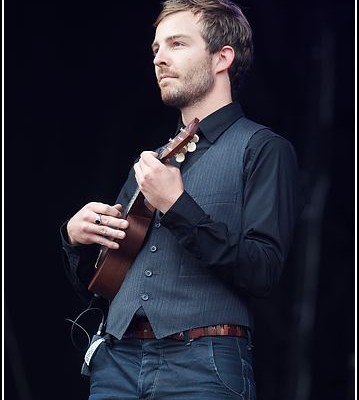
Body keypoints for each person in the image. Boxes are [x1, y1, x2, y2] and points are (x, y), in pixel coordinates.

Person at [60, 0, 299, 399]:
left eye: (176, 44)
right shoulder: (153, 161)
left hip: (202, 361)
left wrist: (178, 206)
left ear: (222, 57)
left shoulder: (263, 149)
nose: (159, 59)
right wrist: (75, 240)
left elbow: (264, 271)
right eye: (156, 49)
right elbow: (103, 283)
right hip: (116, 363)